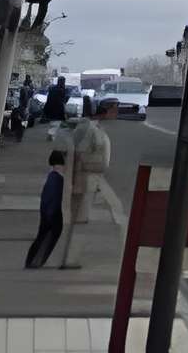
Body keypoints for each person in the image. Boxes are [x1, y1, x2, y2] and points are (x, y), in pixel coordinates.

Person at [59, 110, 109, 268]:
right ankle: (70, 260)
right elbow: (81, 155)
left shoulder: (80, 130)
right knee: (79, 223)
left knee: (75, 222)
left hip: (80, 180)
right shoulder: (89, 131)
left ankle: (68, 259)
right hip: (84, 180)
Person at [23, 153, 65, 270]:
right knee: (46, 237)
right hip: (52, 213)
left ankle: (33, 261)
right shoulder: (57, 179)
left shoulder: (52, 177)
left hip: (48, 212)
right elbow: (53, 197)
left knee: (43, 236)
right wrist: (50, 214)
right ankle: (35, 262)